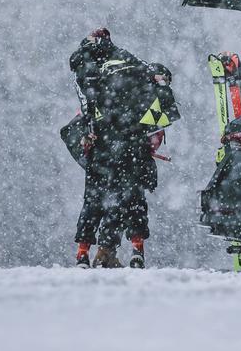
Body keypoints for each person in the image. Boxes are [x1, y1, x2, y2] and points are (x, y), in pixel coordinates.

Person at [68, 28, 179, 269]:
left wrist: (90, 130)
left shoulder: (92, 73)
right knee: (131, 200)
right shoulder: (133, 68)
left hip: (104, 144)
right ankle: (132, 252)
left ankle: (85, 253)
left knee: (96, 200)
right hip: (130, 144)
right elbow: (160, 116)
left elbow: (87, 105)